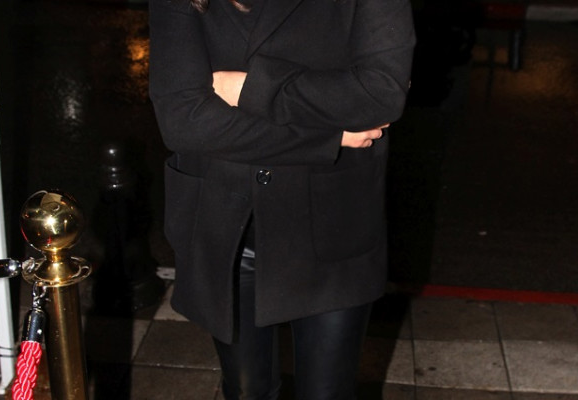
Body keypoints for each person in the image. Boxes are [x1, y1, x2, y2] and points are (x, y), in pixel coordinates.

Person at [148, 0, 415, 398]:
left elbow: (380, 95)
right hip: (227, 225)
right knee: (246, 391)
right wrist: (329, 138)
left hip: (332, 223)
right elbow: (183, 121)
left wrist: (248, 88)